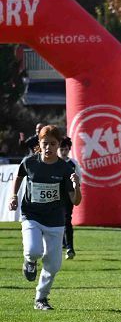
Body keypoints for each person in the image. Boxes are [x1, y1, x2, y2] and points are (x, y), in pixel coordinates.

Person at [8, 125, 82, 310]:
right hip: (31, 215)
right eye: (45, 143)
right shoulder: (30, 162)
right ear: (39, 144)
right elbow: (18, 177)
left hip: (55, 220)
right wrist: (14, 196)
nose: (48, 147)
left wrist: (77, 186)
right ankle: (29, 261)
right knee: (33, 250)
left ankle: (41, 299)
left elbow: (75, 200)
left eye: (53, 144)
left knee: (54, 264)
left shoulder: (66, 169)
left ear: (59, 145)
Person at [57, 137, 79, 259]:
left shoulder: (73, 164)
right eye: (61, 149)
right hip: (54, 196)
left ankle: (70, 247)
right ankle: (61, 243)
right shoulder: (53, 163)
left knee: (67, 220)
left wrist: (76, 190)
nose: (64, 152)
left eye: (66, 149)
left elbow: (79, 179)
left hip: (68, 196)